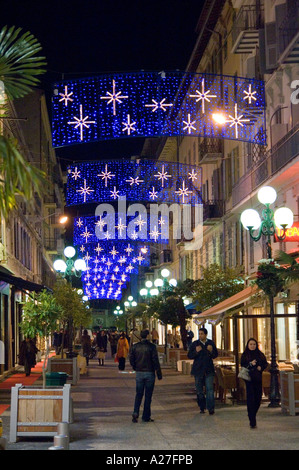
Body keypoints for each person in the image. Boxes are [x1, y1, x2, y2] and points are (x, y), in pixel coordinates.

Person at [130, 329, 162, 423]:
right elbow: (155, 360)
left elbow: (131, 358)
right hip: (149, 372)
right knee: (148, 395)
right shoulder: (152, 347)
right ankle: (146, 416)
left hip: (139, 372)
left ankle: (135, 412)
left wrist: (135, 366)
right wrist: (159, 373)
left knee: (139, 394)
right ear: (147, 336)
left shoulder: (135, 347)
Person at [187, 327, 218, 415]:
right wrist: (196, 352)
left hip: (209, 370)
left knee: (209, 389)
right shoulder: (195, 344)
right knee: (199, 390)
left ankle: (211, 408)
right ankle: (202, 407)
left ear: (205, 335)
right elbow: (189, 355)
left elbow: (215, 355)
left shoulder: (210, 343)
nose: (200, 335)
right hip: (198, 370)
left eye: (202, 334)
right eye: (199, 334)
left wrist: (211, 351)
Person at [241, 338, 268, 429]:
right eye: (250, 344)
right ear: (248, 345)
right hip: (249, 379)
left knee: (258, 398)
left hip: (258, 379)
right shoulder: (245, 355)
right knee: (251, 398)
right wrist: (250, 364)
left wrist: (261, 367)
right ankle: (252, 420)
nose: (252, 346)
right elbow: (243, 365)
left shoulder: (260, 354)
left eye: (254, 344)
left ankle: (253, 414)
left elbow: (265, 363)